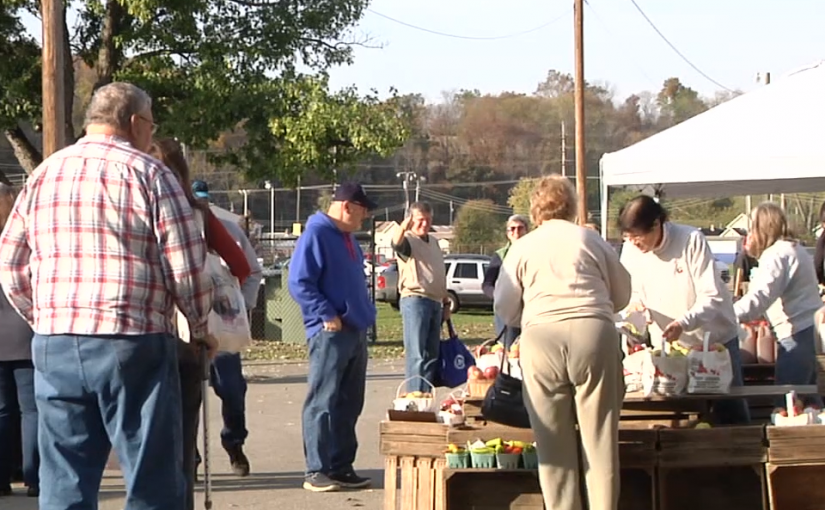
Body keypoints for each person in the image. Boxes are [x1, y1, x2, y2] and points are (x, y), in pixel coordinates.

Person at [0, 82, 216, 510]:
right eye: (151, 124)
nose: (152, 134)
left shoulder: (45, 173)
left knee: (65, 474)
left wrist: (41, 317)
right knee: (150, 473)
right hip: (130, 337)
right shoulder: (152, 174)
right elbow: (185, 265)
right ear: (134, 122)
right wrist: (200, 325)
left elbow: (10, 263)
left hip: (56, 341)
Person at [494, 175, 631, 510]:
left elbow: (504, 306)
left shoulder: (522, 246)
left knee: (553, 445)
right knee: (599, 441)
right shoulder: (591, 239)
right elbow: (623, 294)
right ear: (572, 206)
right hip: (593, 331)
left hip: (542, 336)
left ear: (536, 209)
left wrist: (527, 316)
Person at [150, 139, 251, 510]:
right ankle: (189, 471)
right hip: (193, 328)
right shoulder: (197, 214)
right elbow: (240, 266)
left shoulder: (130, 203)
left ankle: (193, 462)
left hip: (144, 328)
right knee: (188, 408)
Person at [618, 195, 750, 425]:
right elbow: (633, 292)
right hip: (670, 347)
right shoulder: (630, 251)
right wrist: (634, 311)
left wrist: (684, 322)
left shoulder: (690, 240)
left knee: (728, 411)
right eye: (627, 236)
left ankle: (746, 456)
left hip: (713, 341)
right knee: (678, 412)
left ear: (657, 224)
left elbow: (712, 295)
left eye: (638, 235)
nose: (633, 242)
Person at [288, 182, 377, 493]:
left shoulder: (347, 237)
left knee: (350, 402)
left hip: (355, 329)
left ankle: (341, 466)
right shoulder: (316, 234)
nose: (365, 217)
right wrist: (326, 314)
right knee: (323, 400)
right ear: (347, 206)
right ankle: (317, 469)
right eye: (363, 210)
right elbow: (299, 282)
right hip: (330, 332)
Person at [191, 179, 263, 476]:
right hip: (187, 328)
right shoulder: (178, 227)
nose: (202, 206)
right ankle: (190, 457)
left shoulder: (228, 230)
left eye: (205, 201)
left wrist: (241, 306)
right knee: (187, 395)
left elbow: (251, 270)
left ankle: (234, 442)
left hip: (223, 325)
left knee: (232, 390)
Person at [734, 202, 823, 406]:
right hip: (810, 331)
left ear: (762, 228)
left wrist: (724, 315)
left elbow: (759, 299)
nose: (749, 235)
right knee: (810, 403)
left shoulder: (776, 254)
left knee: (788, 404)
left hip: (796, 334)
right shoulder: (794, 249)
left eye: (752, 228)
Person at [0, 184, 38, 498]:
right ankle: (35, 477)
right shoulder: (23, 238)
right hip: (25, 331)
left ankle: (1, 478)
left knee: (1, 411)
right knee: (32, 411)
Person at [392, 201, 450, 392]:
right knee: (417, 354)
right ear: (411, 220)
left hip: (435, 302)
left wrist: (446, 302)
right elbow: (396, 243)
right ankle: (414, 396)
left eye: (428, 220)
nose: (424, 224)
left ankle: (425, 395)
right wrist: (403, 226)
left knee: (431, 354)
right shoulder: (408, 240)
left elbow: (439, 272)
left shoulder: (433, 242)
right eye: (420, 220)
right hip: (416, 300)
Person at [482, 214, 529, 349]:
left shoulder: (535, 252)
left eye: (520, 228)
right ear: (507, 233)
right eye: (512, 229)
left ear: (527, 230)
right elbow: (487, 284)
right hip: (507, 311)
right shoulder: (500, 255)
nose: (516, 232)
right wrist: (498, 296)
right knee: (508, 349)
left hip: (530, 309)